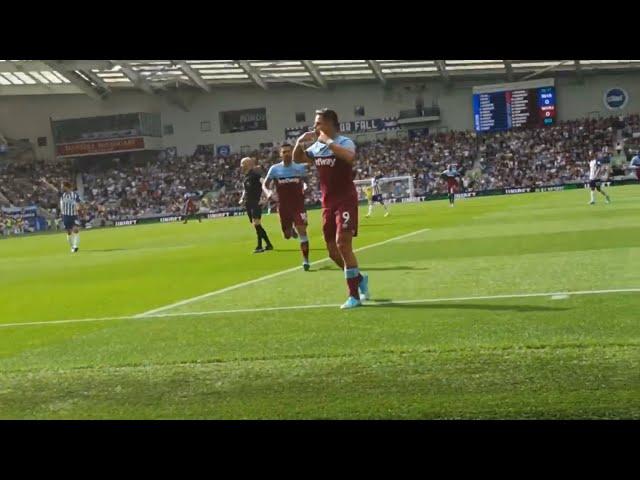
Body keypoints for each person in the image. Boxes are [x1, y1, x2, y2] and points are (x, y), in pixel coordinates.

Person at [293, 108, 369, 309]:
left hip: (346, 199)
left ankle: (354, 296)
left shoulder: (344, 142)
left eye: (318, 123)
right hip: (328, 203)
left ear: (329, 124)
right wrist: (300, 142)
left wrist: (327, 141)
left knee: (343, 244)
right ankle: (360, 279)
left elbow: (349, 157)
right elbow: (297, 159)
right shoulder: (316, 147)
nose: (315, 126)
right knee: (332, 252)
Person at [263, 143, 311, 271]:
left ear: (291, 153)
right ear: (280, 154)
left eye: (289, 151)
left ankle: (306, 260)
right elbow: (265, 185)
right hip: (284, 207)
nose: (287, 154)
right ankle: (291, 229)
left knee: (303, 231)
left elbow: (306, 182)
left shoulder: (299, 168)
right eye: (284, 152)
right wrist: (268, 193)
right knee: (287, 235)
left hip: (298, 206)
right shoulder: (274, 169)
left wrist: (306, 187)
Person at [239, 157, 273, 253]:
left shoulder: (256, 175)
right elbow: (245, 189)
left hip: (255, 202)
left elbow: (265, 184)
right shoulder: (246, 176)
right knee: (256, 225)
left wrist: (266, 196)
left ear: (248, 164)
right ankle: (269, 244)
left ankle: (259, 246)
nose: (241, 166)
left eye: (242, 164)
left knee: (256, 223)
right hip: (248, 203)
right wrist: (242, 198)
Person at [60, 181, 82, 253]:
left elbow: (78, 203)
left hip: (74, 215)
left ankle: (75, 246)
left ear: (66, 187)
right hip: (65, 216)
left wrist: (78, 208)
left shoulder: (75, 195)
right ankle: (72, 246)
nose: (61, 187)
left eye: (62, 186)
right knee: (69, 232)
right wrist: (46, 183)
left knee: (76, 230)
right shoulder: (62, 195)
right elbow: (54, 189)